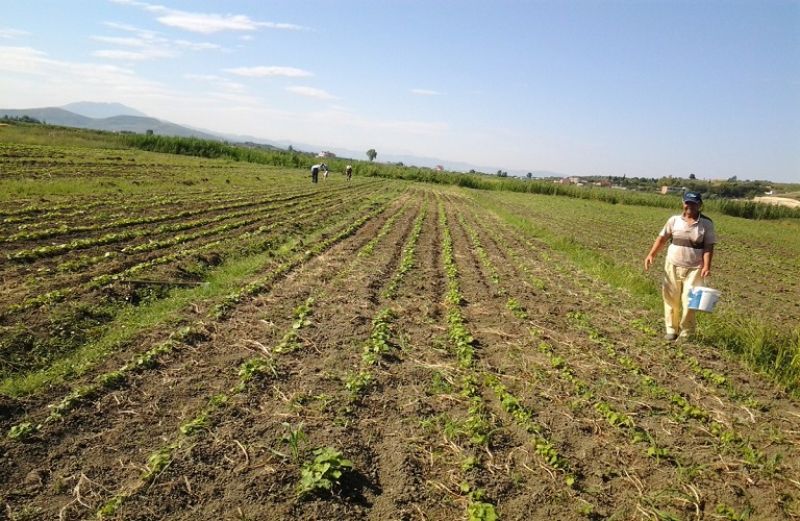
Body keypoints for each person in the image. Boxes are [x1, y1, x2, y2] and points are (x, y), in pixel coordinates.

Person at [644, 191, 717, 341]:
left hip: (695, 268)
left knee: (690, 301)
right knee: (670, 297)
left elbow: (708, 247)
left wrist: (706, 266)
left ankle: (687, 333)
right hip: (672, 264)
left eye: (694, 203)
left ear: (700, 205)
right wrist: (651, 254)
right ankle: (671, 330)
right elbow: (662, 239)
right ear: (683, 203)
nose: (690, 206)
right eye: (687, 203)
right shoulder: (674, 220)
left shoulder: (706, 224)